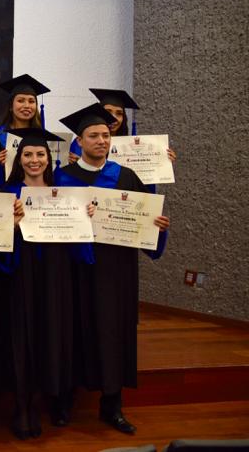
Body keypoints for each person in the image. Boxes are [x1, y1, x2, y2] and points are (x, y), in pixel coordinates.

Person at [55, 104, 170, 434]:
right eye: (94, 135)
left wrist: (158, 226)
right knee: (74, 329)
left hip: (116, 268)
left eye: (106, 135)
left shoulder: (125, 175)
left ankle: (112, 406)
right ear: (80, 140)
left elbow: (143, 218)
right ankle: (64, 401)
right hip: (77, 267)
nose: (101, 140)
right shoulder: (64, 177)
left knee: (113, 331)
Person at [0, 128, 92, 439]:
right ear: (19, 159)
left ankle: (57, 397)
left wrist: (85, 217)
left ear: (48, 159)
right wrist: (10, 225)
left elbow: (79, 243)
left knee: (55, 331)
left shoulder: (64, 190)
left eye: (40, 154)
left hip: (56, 274)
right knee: (23, 336)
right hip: (22, 273)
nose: (34, 160)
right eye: (28, 155)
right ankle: (23, 405)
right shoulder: (7, 193)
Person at [67, 88, 177, 166]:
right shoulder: (80, 144)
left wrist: (161, 162)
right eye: (108, 111)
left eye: (119, 113)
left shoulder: (130, 146)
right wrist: (79, 165)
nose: (114, 118)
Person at [0, 74, 50, 185]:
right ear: (11, 106)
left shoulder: (43, 136)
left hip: (38, 193)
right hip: (7, 193)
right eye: (21, 101)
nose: (27, 105)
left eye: (31, 101)